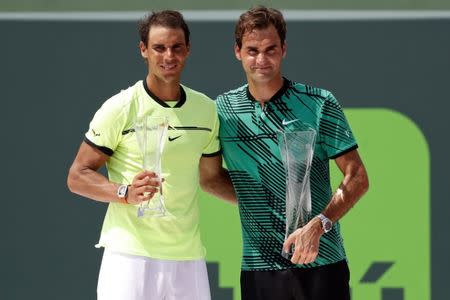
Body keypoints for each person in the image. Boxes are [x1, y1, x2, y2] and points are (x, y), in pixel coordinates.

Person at [67, 10, 235, 300]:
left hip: (188, 258)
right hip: (129, 257)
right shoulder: (120, 107)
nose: (168, 56)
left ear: (187, 50)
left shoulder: (206, 110)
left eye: (176, 47)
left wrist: (264, 202)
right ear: (144, 50)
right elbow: (77, 176)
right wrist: (125, 192)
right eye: (159, 47)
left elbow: (210, 179)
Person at [215, 6, 369, 300]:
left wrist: (319, 225)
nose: (261, 59)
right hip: (259, 267)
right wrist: (257, 199)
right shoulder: (222, 110)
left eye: (270, 49)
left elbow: (357, 177)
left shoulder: (320, 103)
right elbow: (208, 177)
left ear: (283, 49)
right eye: (252, 50)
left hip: (323, 263)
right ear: (237, 52)